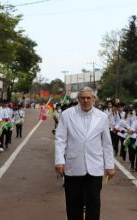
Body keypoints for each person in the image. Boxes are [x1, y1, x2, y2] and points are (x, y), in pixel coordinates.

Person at [55, 87, 115, 220]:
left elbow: (107, 143)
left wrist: (109, 165)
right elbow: (60, 139)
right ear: (78, 99)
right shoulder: (67, 114)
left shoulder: (102, 116)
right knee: (73, 203)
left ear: (94, 99)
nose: (86, 100)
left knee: (93, 202)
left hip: (95, 167)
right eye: (83, 98)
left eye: (89, 98)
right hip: (73, 166)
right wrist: (59, 160)